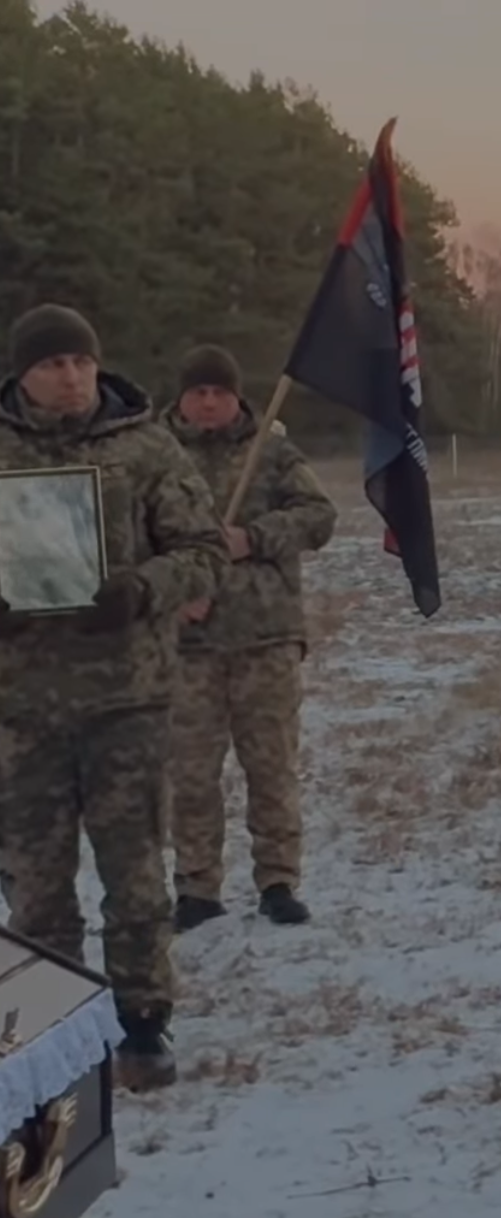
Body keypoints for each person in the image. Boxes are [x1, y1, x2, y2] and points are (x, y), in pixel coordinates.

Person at [0, 304, 226, 1091]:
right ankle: (50, 1030)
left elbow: (204, 552)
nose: (70, 377)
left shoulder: (146, 447)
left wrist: (142, 588)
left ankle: (141, 1021)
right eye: (51, 364)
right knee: (37, 884)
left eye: (81, 362)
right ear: (22, 374)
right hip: (21, 708)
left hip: (126, 699)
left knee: (133, 875)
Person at [164, 345, 338, 930]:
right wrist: (171, 593)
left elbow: (319, 517)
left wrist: (254, 538)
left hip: (266, 639)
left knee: (271, 768)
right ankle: (196, 887)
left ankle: (278, 880)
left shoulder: (273, 452)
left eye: (220, 392)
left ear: (237, 396)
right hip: (187, 647)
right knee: (190, 773)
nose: (210, 402)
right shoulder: (154, 459)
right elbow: (127, 535)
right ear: (182, 398)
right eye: (199, 392)